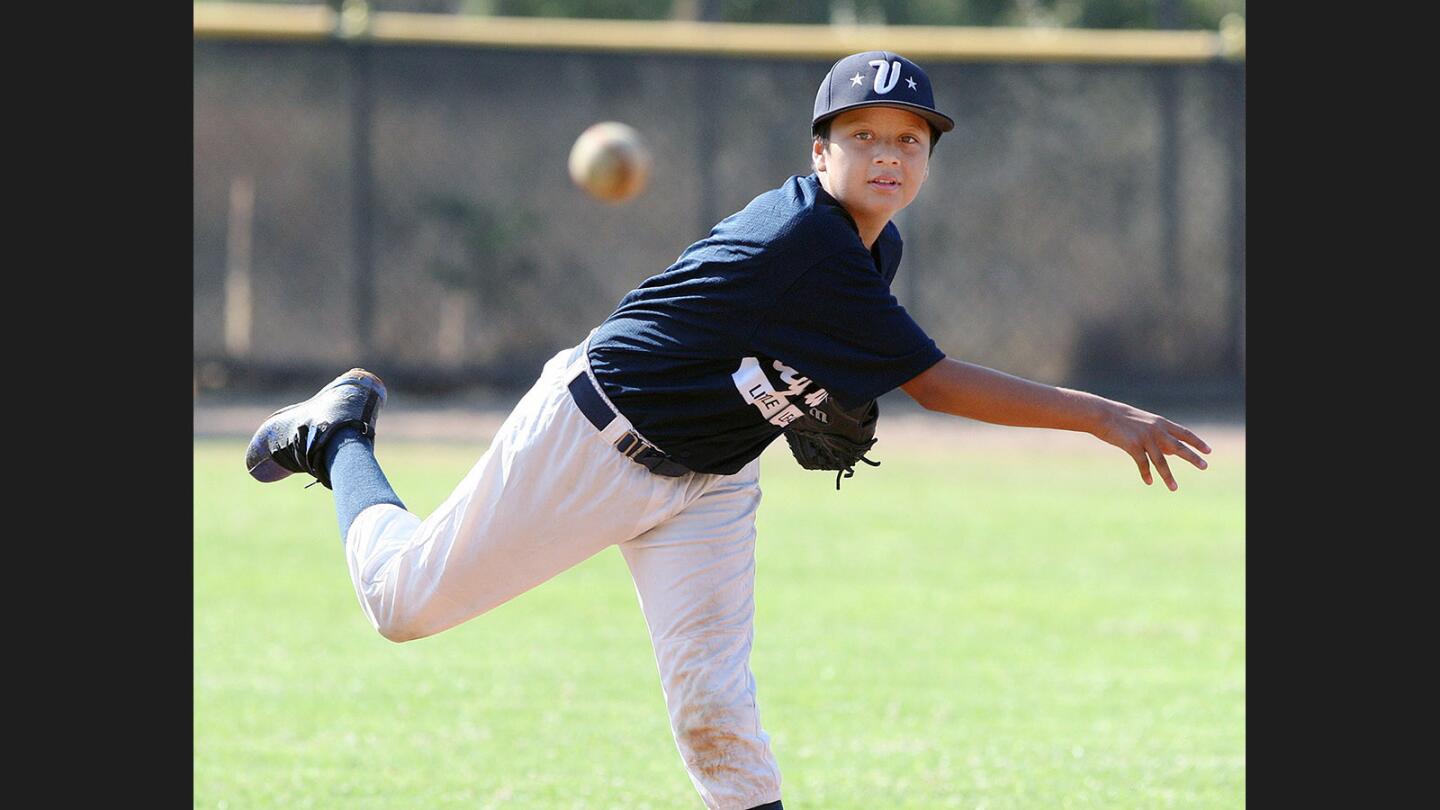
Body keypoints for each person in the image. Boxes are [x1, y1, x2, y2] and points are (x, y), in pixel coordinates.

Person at [245, 51, 1211, 810]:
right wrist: (1105, 416)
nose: (887, 154)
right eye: (863, 134)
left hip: (708, 481)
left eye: (910, 140)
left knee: (718, 714)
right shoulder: (806, 242)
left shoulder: (879, 245)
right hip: (591, 438)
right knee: (402, 603)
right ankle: (337, 439)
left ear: (927, 158)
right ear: (819, 151)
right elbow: (938, 385)